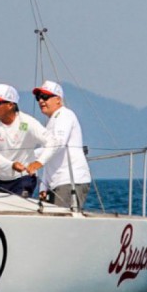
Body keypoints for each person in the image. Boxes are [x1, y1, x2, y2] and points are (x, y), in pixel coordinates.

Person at [0, 83, 50, 197]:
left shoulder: (28, 122)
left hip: (22, 179)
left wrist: (39, 163)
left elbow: (53, 143)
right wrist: (11, 165)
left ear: (10, 105)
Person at [32, 80, 92, 209]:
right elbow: (50, 154)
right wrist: (44, 186)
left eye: (45, 97)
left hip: (70, 181)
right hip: (56, 183)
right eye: (38, 97)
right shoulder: (53, 121)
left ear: (58, 99)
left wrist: (30, 157)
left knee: (62, 222)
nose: (41, 101)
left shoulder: (65, 115)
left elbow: (58, 144)